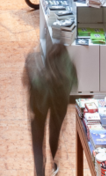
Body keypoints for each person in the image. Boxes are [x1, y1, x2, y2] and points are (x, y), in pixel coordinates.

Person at [23, 43, 77, 176]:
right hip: (58, 104)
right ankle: (54, 163)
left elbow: (28, 82)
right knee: (54, 133)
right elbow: (74, 84)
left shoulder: (41, 74)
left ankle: (40, 171)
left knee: (37, 141)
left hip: (38, 108)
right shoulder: (69, 69)